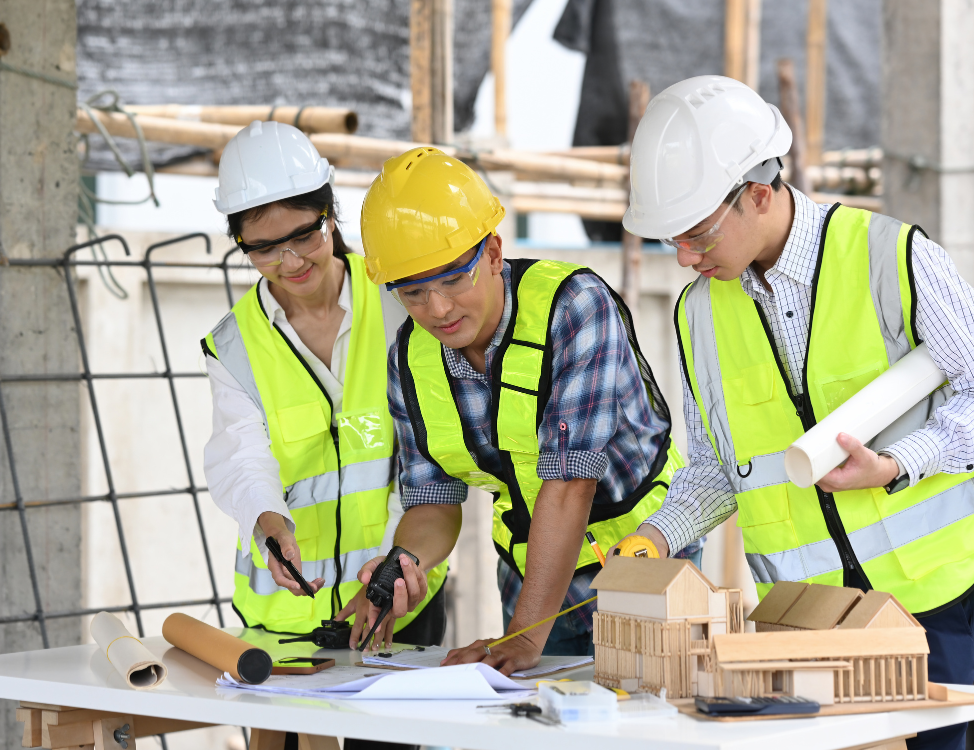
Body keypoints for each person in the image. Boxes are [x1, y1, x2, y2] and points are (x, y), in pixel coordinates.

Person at [620, 75, 974, 750]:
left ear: (758, 192)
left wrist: (901, 463)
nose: (684, 257)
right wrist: (656, 539)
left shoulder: (888, 256)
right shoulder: (697, 312)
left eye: (695, 234)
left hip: (936, 606)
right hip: (804, 622)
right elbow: (717, 470)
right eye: (673, 240)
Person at [350, 146, 699, 674]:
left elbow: (568, 483)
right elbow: (433, 503)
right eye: (414, 292)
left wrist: (525, 634)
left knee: (640, 724)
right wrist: (403, 565)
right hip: (530, 573)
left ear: (492, 252)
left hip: (641, 562)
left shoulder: (574, 306)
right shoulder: (408, 356)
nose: (438, 309)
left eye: (452, 279)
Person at [201, 121, 448, 653]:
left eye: (303, 236)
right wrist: (269, 523)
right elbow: (242, 458)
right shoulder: (233, 346)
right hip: (281, 621)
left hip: (398, 606)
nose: (289, 262)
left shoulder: (398, 308)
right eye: (263, 248)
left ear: (330, 216)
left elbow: (429, 460)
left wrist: (394, 569)